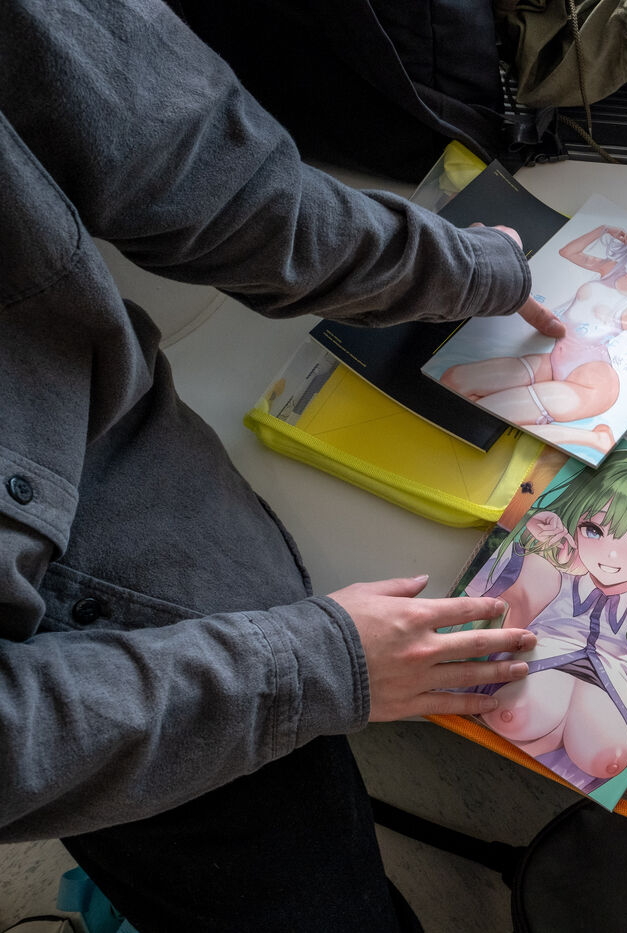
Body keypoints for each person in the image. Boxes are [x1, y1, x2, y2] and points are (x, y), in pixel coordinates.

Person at [0, 0, 570, 929]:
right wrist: (318, 666)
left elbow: (208, 179)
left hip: (134, 514)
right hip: (113, 693)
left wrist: (469, 269)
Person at [462, 449, 627, 790]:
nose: (611, 553)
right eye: (594, 529)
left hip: (574, 793)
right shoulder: (545, 577)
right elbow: (478, 594)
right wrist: (526, 536)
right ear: (575, 523)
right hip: (470, 758)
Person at [435, 223, 627, 453]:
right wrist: (602, 229)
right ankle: (592, 437)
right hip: (555, 360)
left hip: (591, 383)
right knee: (453, 379)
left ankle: (594, 439)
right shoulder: (611, 270)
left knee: (484, 409)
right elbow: (568, 252)